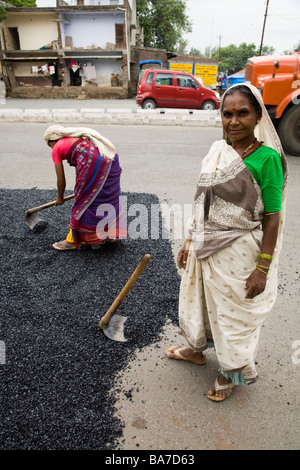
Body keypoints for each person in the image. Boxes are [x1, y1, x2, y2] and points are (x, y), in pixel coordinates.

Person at [165, 83, 288, 401]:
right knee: (202, 305)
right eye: (227, 114)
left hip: (241, 254)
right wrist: (190, 240)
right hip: (205, 249)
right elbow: (202, 203)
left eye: (242, 113)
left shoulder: (267, 159)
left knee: (233, 317)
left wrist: (263, 267)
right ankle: (196, 351)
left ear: (258, 115)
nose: (234, 121)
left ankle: (230, 372)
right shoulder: (217, 153)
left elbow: (272, 216)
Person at [44, 125, 127, 250]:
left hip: (93, 161)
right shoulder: (78, 139)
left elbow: (61, 180)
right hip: (111, 157)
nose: (51, 148)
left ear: (52, 141)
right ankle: (110, 233)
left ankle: (72, 240)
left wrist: (60, 197)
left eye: (49, 145)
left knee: (82, 201)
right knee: (108, 194)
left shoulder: (56, 148)